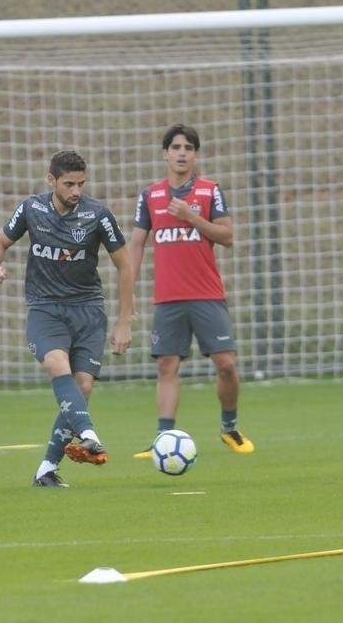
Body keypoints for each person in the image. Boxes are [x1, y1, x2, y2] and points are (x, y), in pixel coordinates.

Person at [0, 149, 134, 488]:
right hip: (46, 307)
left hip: (88, 310)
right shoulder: (31, 208)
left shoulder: (99, 215)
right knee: (56, 364)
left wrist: (125, 320)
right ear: (51, 180)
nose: (77, 191)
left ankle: (46, 470)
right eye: (69, 184)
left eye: (82, 183)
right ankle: (88, 433)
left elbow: (125, 266)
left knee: (82, 387)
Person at [127, 124, 255, 457]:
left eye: (188, 147)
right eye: (176, 147)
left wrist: (190, 217)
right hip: (168, 298)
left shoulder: (210, 191)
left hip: (207, 295)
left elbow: (227, 237)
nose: (182, 152)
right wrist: (128, 290)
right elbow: (137, 245)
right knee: (166, 366)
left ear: (195, 154)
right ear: (165, 154)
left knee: (226, 364)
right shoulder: (151, 195)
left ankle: (230, 428)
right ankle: (162, 440)